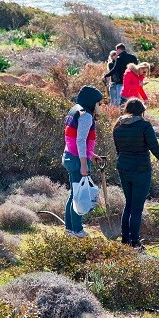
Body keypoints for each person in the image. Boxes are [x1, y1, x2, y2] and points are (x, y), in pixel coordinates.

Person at [113, 98, 159, 249]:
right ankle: (135, 243)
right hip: (141, 171)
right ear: (142, 111)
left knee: (128, 205)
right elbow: (155, 149)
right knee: (137, 208)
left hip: (123, 169)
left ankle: (125, 241)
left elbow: (118, 150)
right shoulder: (144, 126)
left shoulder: (118, 126)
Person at [63, 86, 104, 238]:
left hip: (69, 155)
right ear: (92, 102)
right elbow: (80, 140)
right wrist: (84, 163)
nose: (100, 106)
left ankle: (69, 228)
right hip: (76, 159)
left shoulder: (74, 110)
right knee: (79, 195)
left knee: (74, 193)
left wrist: (91, 155)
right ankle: (77, 230)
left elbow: (74, 139)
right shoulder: (86, 116)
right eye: (99, 103)